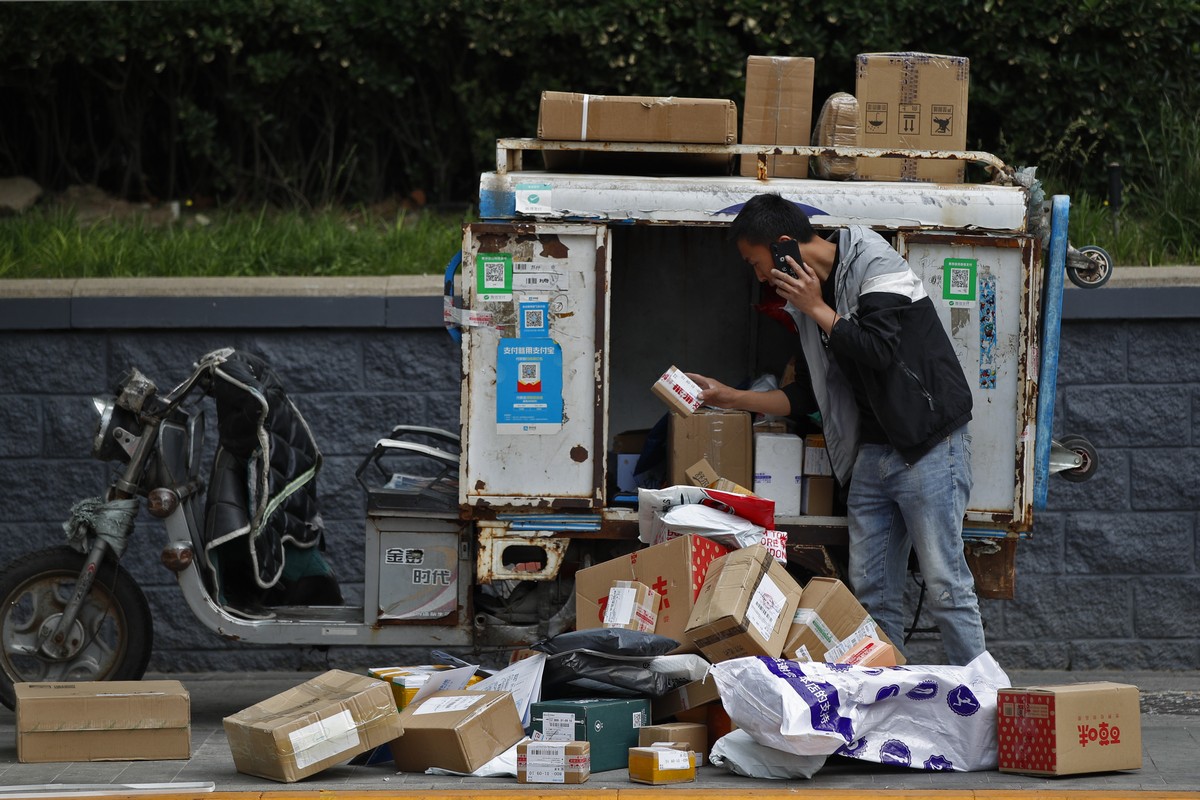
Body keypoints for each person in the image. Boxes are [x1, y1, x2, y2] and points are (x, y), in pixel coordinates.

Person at [689, 193, 985, 665]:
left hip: (927, 446)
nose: (759, 276)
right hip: (872, 455)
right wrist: (730, 398)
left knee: (946, 585)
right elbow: (808, 396)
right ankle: (887, 701)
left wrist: (815, 308)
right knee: (871, 596)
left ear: (783, 245)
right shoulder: (805, 307)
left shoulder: (875, 262)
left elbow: (879, 349)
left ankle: (992, 705)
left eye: (756, 262)